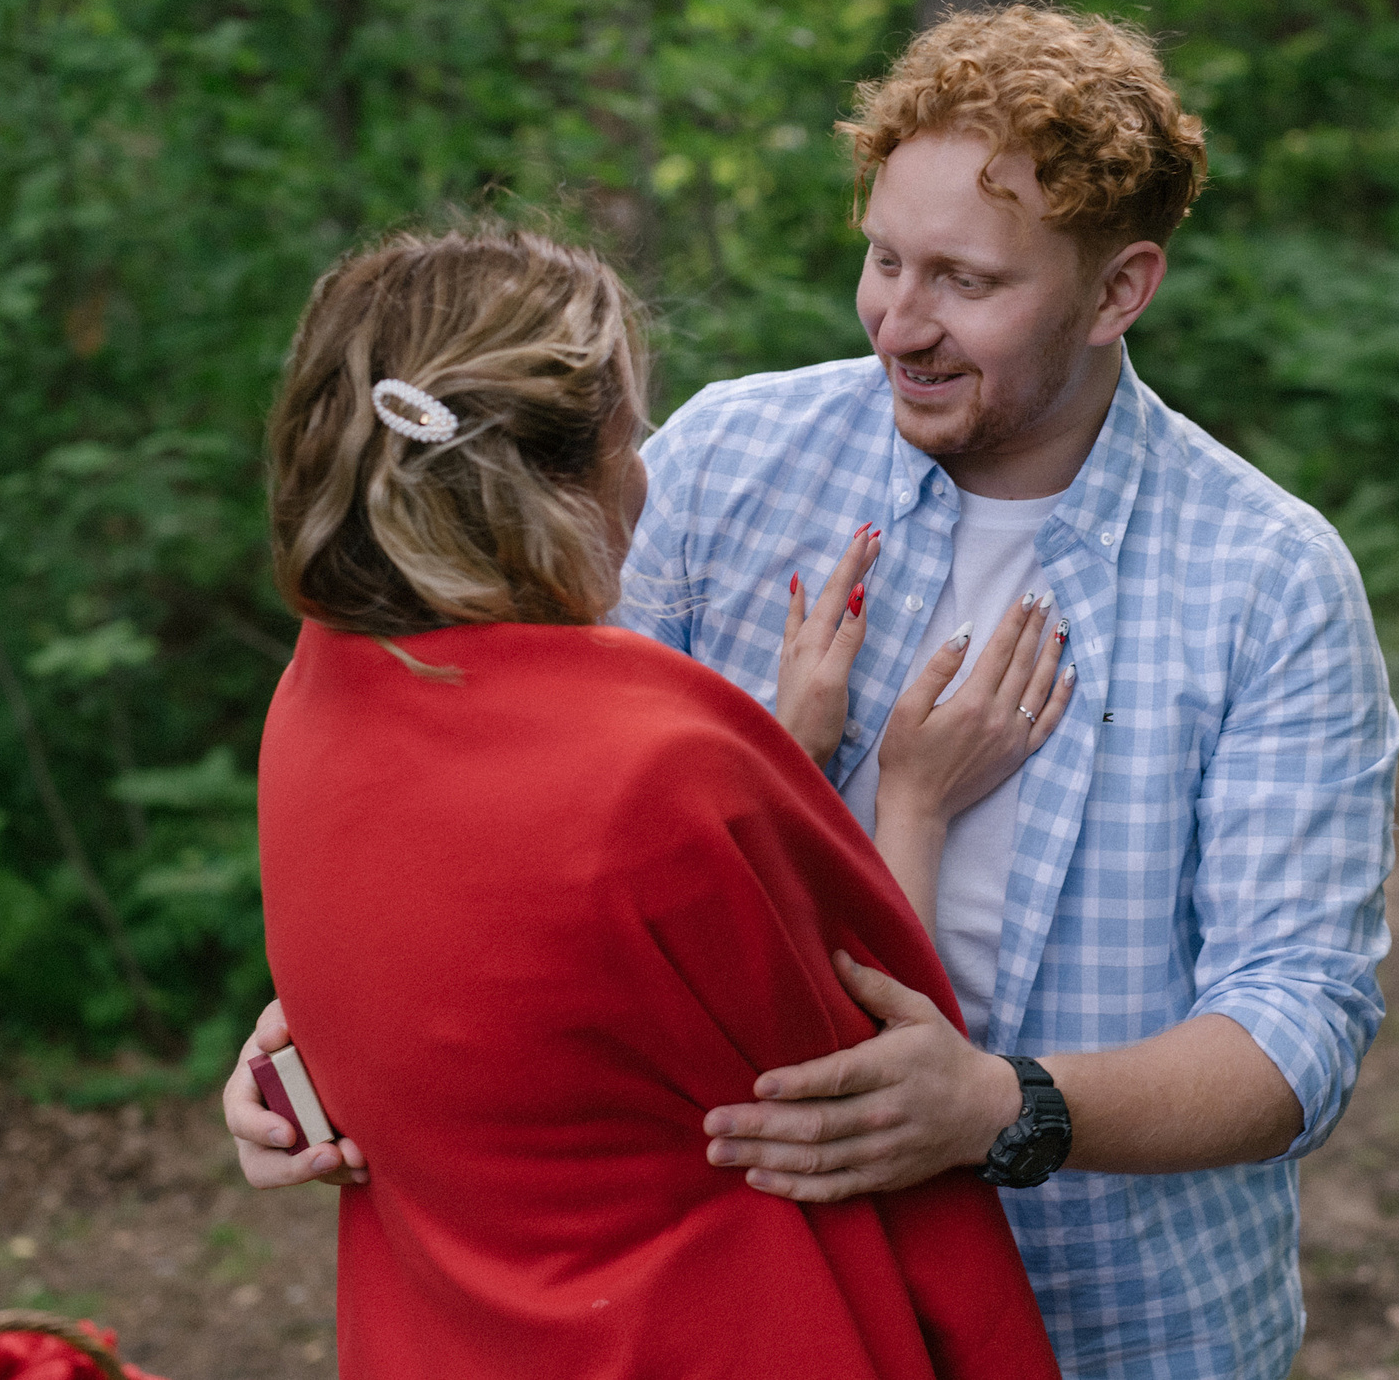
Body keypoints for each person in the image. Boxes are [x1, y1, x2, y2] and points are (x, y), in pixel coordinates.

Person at [233, 4, 1399, 1380]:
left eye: (966, 280)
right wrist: (323, 1016)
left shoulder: (1266, 577)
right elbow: (510, 811)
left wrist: (1003, 1104)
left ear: (1116, 290)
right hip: (799, 1317)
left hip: (1127, 1324)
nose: (899, 319)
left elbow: (1297, 1024)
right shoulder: (729, 457)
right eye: (885, 256)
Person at [251, 221, 1069, 1378]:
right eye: (633, 438)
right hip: (697, 1336)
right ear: (569, 480)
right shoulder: (661, 763)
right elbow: (863, 1089)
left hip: (448, 1333)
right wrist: (911, 801)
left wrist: (777, 756)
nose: (647, 472)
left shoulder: (320, 688)